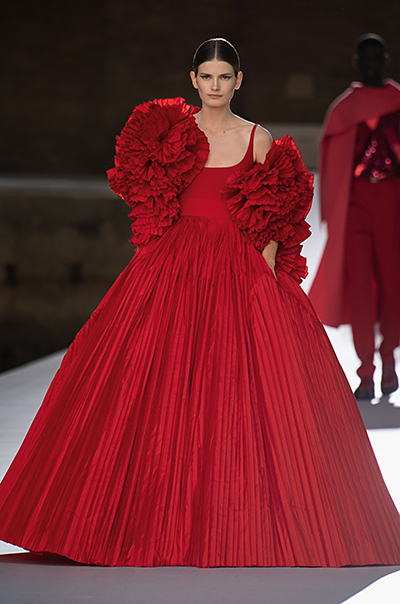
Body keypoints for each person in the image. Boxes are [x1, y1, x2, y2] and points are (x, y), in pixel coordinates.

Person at [1, 38, 400, 568]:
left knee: (241, 388)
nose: (215, 86)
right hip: (175, 262)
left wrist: (265, 267)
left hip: (238, 266)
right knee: (151, 384)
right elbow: (149, 195)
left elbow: (278, 208)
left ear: (238, 81)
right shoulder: (169, 133)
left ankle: (238, 519)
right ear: (193, 80)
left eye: (224, 77)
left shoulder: (257, 138)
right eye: (206, 77)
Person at [309, 34, 400, 400]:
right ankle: (365, 371)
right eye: (366, 58)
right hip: (356, 204)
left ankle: (388, 358)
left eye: (377, 58)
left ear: (385, 60)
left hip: (393, 201)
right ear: (357, 63)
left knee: (393, 285)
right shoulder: (344, 109)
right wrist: (333, 212)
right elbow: (332, 164)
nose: (371, 64)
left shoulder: (397, 102)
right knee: (360, 287)